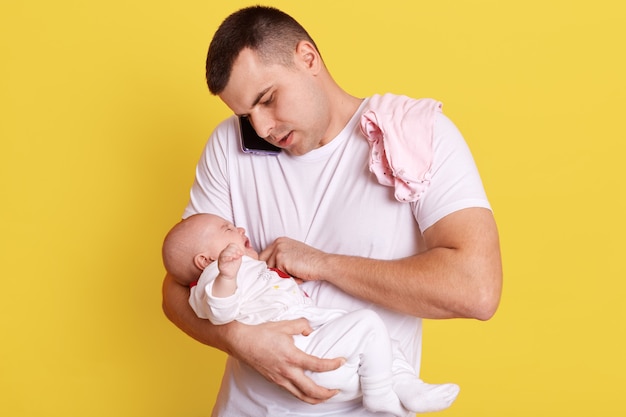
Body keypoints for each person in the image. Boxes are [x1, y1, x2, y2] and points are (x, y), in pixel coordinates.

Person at [161, 5, 502, 417]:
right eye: (245, 114)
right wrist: (238, 339)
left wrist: (323, 264)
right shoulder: (228, 145)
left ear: (308, 59)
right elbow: (178, 286)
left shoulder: (414, 135)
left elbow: (477, 290)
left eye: (267, 99)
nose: (263, 127)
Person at [162, 213, 460, 416]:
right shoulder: (212, 279)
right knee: (369, 325)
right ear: (204, 260)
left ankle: (406, 386)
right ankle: (381, 393)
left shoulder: (246, 266)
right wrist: (225, 275)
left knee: (384, 345)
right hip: (293, 345)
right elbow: (219, 311)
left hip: (310, 328)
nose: (240, 229)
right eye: (228, 229)